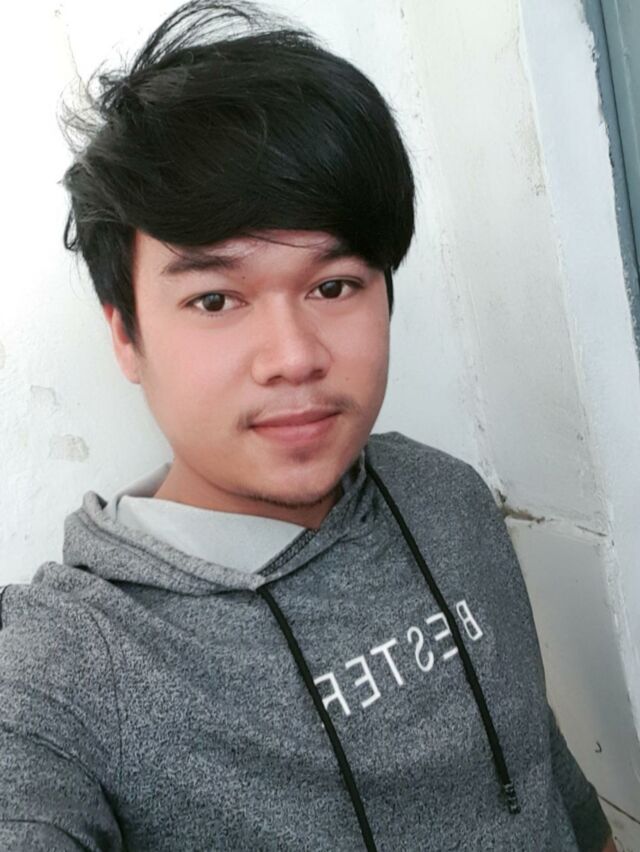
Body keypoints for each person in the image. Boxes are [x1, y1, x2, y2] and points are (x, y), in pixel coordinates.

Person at [0, 1, 614, 850]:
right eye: (215, 300)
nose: (293, 357)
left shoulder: (447, 496)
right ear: (126, 336)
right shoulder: (68, 668)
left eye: (333, 286)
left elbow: (541, 769)